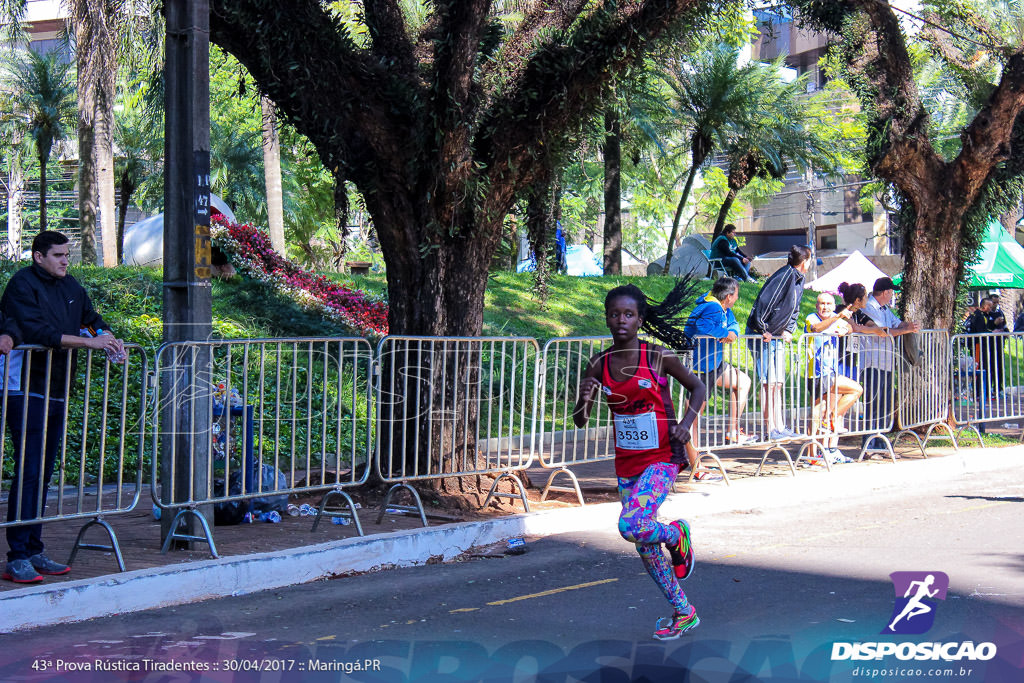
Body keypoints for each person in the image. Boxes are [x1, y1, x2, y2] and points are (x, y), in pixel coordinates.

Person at [573, 283, 706, 641]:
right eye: (614, 314)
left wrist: (686, 423)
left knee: (632, 525)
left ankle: (676, 533)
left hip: (663, 457)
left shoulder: (658, 357)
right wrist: (584, 399)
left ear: (640, 319)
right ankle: (684, 611)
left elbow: (699, 388)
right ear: (607, 317)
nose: (621, 321)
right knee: (645, 546)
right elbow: (580, 419)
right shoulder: (598, 364)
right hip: (627, 464)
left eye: (629, 314)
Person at [1, 231, 126, 584]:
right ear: (39, 256)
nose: (65, 261)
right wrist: (91, 344)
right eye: (58, 255)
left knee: (42, 472)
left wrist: (110, 338)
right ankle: (18, 555)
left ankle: (35, 547)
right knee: (28, 470)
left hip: (58, 388)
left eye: (67, 255)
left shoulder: (71, 286)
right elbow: (39, 333)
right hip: (24, 388)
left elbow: (90, 319)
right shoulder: (21, 286)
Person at [745, 244, 812, 442]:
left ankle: (780, 425)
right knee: (768, 383)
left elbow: (795, 308)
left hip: (776, 336)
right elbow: (764, 302)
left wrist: (789, 329)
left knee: (777, 383)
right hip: (763, 335)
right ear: (804, 261)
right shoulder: (784, 276)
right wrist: (762, 328)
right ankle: (770, 428)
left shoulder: (798, 279)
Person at [683, 277, 754, 445]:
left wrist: (733, 333)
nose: (737, 298)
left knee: (743, 381)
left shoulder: (723, 308)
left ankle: (732, 431)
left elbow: (734, 324)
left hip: (715, 363)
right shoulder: (712, 307)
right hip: (700, 366)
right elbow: (703, 327)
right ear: (729, 296)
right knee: (693, 418)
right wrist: (724, 334)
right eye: (736, 294)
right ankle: (692, 461)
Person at [859, 277, 919, 452]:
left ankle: (880, 444)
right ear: (885, 292)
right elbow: (883, 332)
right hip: (872, 362)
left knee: (884, 406)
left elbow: (896, 323)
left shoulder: (885, 309)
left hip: (885, 363)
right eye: (891, 292)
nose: (892, 295)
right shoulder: (869, 308)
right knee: (873, 406)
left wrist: (909, 325)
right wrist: (905, 330)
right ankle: (869, 446)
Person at [804, 291, 864, 463]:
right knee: (816, 412)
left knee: (856, 389)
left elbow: (851, 328)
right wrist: (838, 316)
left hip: (831, 373)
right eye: (822, 304)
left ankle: (831, 422)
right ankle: (811, 453)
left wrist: (847, 329)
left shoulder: (836, 321)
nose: (825, 307)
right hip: (816, 373)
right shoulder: (812, 318)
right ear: (817, 306)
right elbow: (816, 329)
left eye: (829, 304)